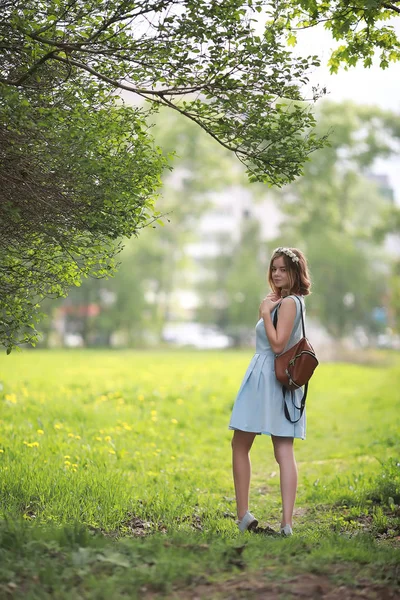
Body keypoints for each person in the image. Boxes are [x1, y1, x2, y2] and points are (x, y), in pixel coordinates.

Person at [228, 246, 312, 536]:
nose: (276, 274)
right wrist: (269, 307)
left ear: (295, 272)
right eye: (273, 268)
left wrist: (265, 313)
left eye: (283, 269)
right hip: (267, 377)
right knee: (248, 444)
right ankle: (253, 517)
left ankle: (279, 522)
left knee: (275, 448)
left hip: (269, 376)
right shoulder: (285, 300)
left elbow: (277, 345)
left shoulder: (289, 303)